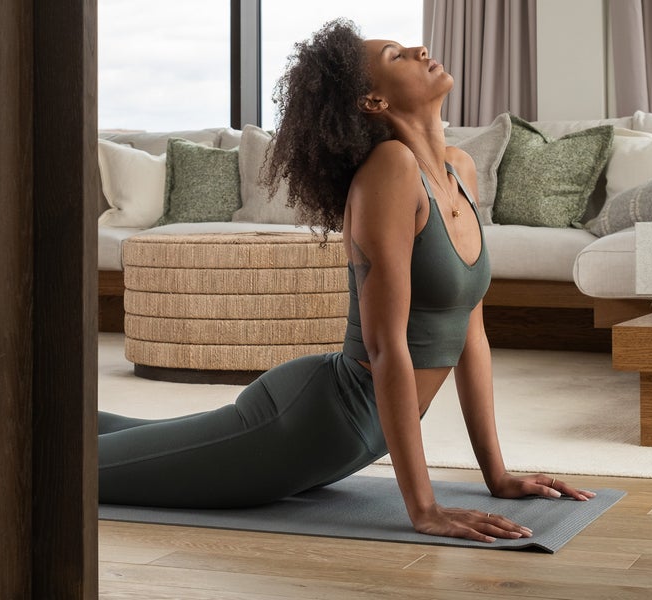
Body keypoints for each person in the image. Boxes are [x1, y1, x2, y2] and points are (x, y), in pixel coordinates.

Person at [98, 18, 595, 543]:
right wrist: (425, 508)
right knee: (77, 470)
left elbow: (472, 338)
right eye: (396, 56)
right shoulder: (390, 170)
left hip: (345, 436)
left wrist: (497, 476)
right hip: (310, 425)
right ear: (373, 101)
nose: (420, 49)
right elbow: (386, 349)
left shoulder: (460, 171)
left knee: (124, 439)